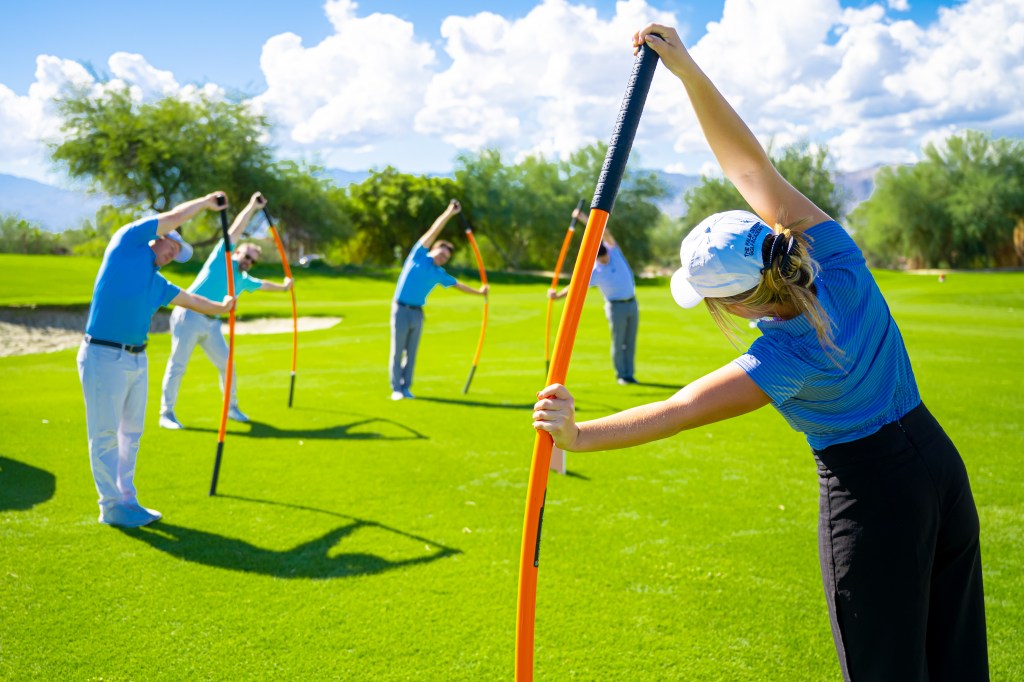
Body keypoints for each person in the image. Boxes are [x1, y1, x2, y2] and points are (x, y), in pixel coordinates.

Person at [532, 25, 987, 682]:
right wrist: (686, 69)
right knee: (955, 661)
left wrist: (576, 435)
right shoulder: (836, 257)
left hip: (875, 498)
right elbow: (751, 169)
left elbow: (678, 410)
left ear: (738, 305)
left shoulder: (783, 361)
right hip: (938, 464)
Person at [78, 192, 236, 528]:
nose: (171, 254)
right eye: (171, 246)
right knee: (105, 433)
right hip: (103, 355)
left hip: (137, 359)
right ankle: (110, 506)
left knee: (131, 433)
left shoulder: (157, 283)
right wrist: (207, 203)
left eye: (177, 253)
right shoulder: (127, 242)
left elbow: (191, 299)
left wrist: (222, 308)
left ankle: (127, 500)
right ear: (159, 237)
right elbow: (176, 214)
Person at [159, 192, 293, 429]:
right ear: (238, 252)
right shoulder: (222, 257)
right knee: (178, 364)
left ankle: (231, 408)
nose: (248, 262)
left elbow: (264, 284)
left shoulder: (243, 279)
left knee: (227, 363)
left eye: (253, 261)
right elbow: (236, 229)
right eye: (247, 256)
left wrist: (284, 288)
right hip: (189, 315)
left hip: (212, 324)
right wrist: (252, 206)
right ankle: (166, 413)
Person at [390, 199, 489, 400]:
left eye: (445, 258)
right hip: (400, 309)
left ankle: (406, 387)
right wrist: (449, 213)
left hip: (417, 312)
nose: (442, 258)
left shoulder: (439, 273)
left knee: (411, 352)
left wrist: (480, 293)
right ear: (433, 249)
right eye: (441, 253)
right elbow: (434, 232)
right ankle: (396, 389)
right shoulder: (417, 256)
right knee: (397, 350)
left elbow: (459, 286)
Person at [549, 213, 639, 384]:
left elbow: (605, 232)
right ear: (596, 258)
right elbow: (575, 286)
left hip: (632, 303)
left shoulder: (614, 252)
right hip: (616, 307)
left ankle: (630, 374)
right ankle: (622, 375)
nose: (606, 260)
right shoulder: (595, 272)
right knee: (619, 342)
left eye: (606, 256)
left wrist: (584, 218)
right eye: (602, 259)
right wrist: (557, 295)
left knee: (630, 341)